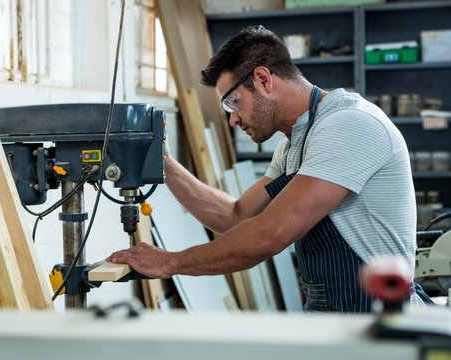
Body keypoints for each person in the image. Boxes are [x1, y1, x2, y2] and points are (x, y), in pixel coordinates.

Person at [107, 25, 427, 312]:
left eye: (233, 103)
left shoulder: (348, 125)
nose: (232, 118)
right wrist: (164, 163)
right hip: (330, 316)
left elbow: (269, 235)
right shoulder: (294, 144)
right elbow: (235, 217)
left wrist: (170, 262)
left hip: (377, 321)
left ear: (263, 79)